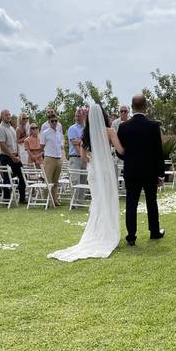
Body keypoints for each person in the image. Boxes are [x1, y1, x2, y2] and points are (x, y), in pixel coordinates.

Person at [48, 102, 121, 261]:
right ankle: (109, 232)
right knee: (107, 200)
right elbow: (121, 150)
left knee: (97, 201)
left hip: (93, 172)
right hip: (106, 171)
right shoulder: (109, 131)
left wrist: (93, 161)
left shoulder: (85, 135)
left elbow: (83, 158)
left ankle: (98, 232)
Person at [117, 94, 165, 244]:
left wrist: (129, 160)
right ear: (146, 106)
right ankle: (154, 231)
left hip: (131, 171)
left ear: (132, 107)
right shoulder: (153, 126)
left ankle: (131, 236)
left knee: (131, 203)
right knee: (152, 201)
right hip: (149, 172)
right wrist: (161, 174)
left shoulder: (124, 127)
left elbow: (120, 151)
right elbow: (158, 152)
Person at [0, 109, 27, 205]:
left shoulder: (12, 128)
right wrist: (12, 156)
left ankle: (22, 198)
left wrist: (18, 154)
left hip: (15, 156)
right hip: (6, 156)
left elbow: (16, 142)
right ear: (2, 116)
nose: (8, 116)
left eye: (9, 115)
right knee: (7, 177)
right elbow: (2, 145)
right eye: (6, 115)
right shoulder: (0, 128)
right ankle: (6, 199)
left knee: (22, 176)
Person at [40, 112, 65, 206]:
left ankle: (55, 199)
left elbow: (60, 146)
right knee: (48, 180)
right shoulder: (45, 133)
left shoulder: (59, 134)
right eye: (52, 121)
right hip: (49, 158)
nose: (54, 122)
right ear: (49, 122)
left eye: (56, 121)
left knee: (56, 181)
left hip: (58, 158)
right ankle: (48, 200)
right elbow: (41, 146)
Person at [67, 109, 87, 204]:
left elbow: (86, 143)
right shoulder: (72, 128)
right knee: (75, 180)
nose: (77, 118)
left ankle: (80, 202)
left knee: (83, 180)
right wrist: (80, 142)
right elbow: (75, 145)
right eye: (76, 116)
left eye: (79, 116)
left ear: (84, 116)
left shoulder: (87, 128)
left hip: (85, 157)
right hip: (75, 157)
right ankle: (74, 202)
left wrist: (80, 141)